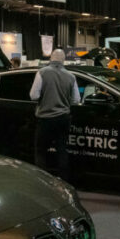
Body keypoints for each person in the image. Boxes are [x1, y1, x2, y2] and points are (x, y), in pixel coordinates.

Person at [30, 49, 80, 182]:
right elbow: (76, 100)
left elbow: (33, 96)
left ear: (51, 59)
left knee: (41, 151)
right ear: (63, 60)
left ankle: (42, 181)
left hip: (45, 119)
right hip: (63, 119)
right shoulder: (71, 76)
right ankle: (64, 180)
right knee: (62, 150)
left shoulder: (42, 72)